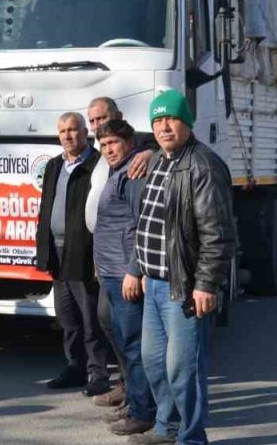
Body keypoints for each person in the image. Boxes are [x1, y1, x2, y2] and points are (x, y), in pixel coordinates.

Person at [132, 89, 236, 445]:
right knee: (154, 363)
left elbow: (218, 234)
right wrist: (141, 269)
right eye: (157, 121)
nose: (163, 127)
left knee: (183, 370)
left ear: (187, 122)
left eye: (171, 119)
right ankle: (167, 428)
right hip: (155, 284)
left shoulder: (203, 165)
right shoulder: (161, 161)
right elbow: (147, 220)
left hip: (185, 287)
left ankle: (191, 438)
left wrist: (206, 284)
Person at [36, 112, 114, 396]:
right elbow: (46, 208)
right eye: (62, 131)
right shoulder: (55, 165)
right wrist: (42, 248)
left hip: (83, 252)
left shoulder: (96, 164)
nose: (67, 136)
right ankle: (74, 367)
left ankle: (98, 374)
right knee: (67, 318)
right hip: (57, 254)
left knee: (90, 318)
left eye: (73, 130)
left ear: (84, 133)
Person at [91, 120, 160, 437]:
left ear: (130, 142)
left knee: (134, 347)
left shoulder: (134, 172)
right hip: (111, 273)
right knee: (124, 343)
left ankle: (143, 412)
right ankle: (135, 403)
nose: (108, 150)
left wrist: (135, 271)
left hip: (125, 276)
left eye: (114, 143)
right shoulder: (117, 170)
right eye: (104, 146)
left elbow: (140, 227)